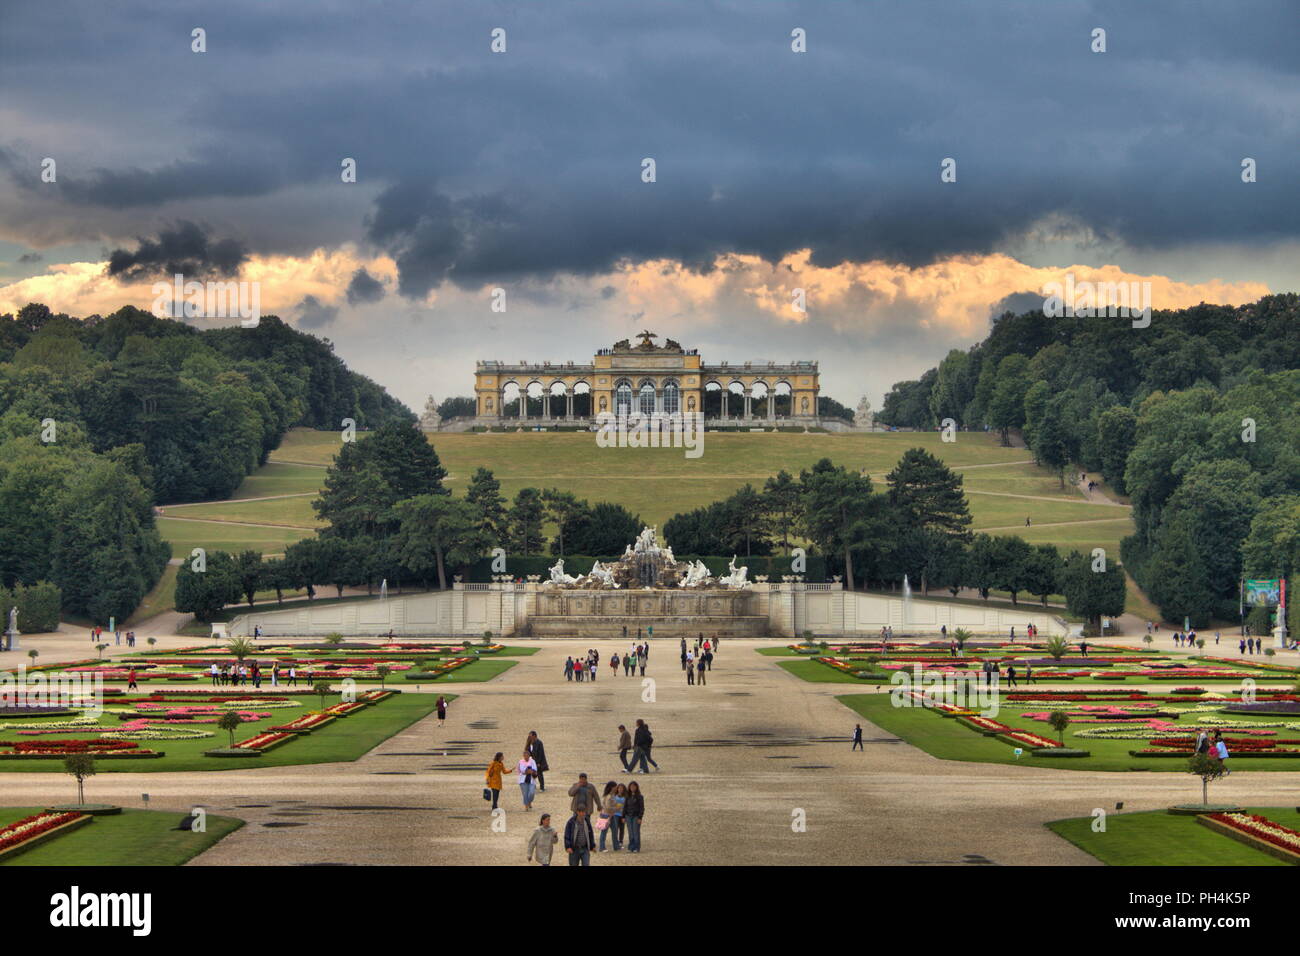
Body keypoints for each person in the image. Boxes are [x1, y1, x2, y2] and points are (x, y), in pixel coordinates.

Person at [597, 780, 624, 851]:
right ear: (612, 787)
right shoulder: (609, 796)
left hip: (611, 815)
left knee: (614, 831)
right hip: (607, 816)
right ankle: (602, 847)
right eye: (615, 787)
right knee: (604, 832)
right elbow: (608, 807)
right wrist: (617, 808)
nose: (616, 788)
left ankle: (616, 846)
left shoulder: (611, 795)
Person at [624, 780, 645, 853]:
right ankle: (631, 847)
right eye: (631, 786)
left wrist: (640, 817)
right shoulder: (627, 796)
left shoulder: (640, 797)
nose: (632, 788)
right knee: (630, 833)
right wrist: (623, 816)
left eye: (634, 786)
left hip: (636, 816)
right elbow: (625, 807)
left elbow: (642, 808)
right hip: (628, 816)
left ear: (636, 787)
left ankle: (637, 847)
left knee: (636, 832)